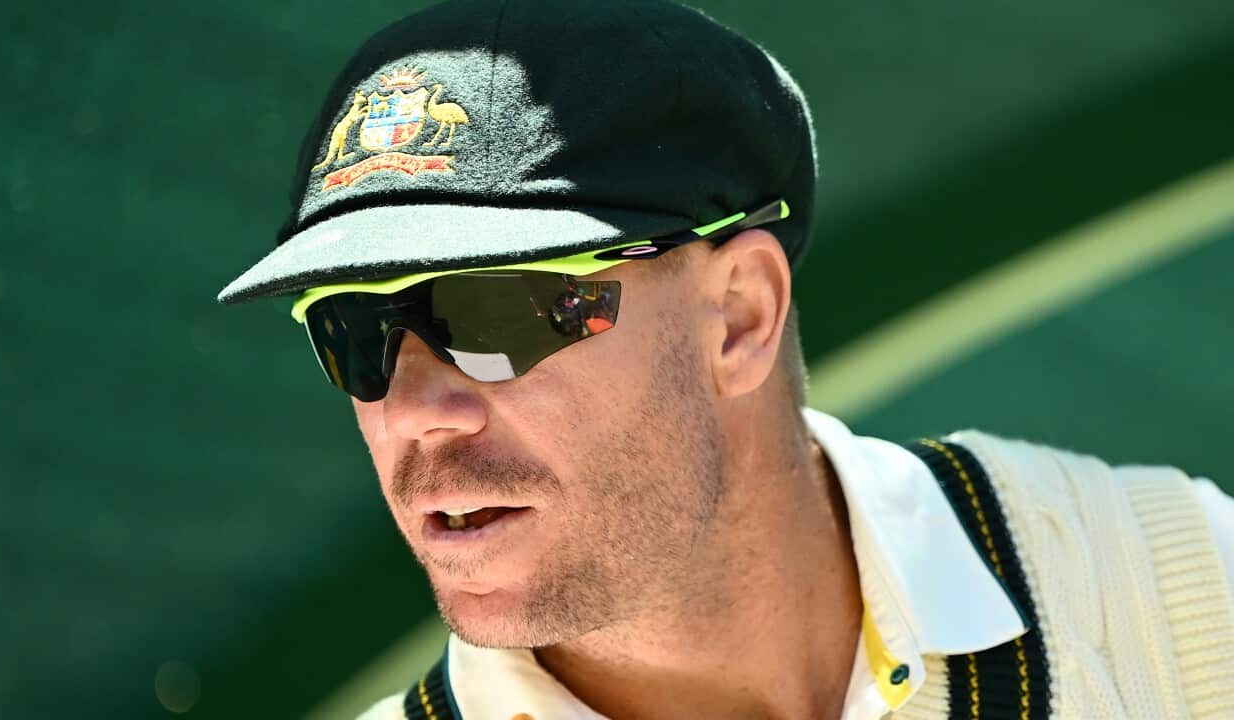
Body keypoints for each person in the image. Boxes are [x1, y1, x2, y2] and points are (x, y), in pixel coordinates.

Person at [217, 1, 1234, 718]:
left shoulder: (1173, 578)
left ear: (738, 317)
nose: (411, 409)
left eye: (492, 310)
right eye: (350, 332)